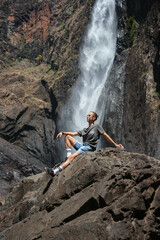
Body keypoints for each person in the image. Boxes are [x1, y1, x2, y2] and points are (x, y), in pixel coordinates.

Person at [44, 111, 124, 177]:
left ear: (94, 118)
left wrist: (115, 144)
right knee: (68, 137)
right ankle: (68, 157)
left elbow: (106, 136)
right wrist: (63, 132)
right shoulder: (85, 130)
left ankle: (54, 172)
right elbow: (74, 134)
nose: (87, 116)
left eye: (89, 115)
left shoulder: (97, 127)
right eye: (87, 115)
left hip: (89, 148)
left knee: (72, 156)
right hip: (83, 146)